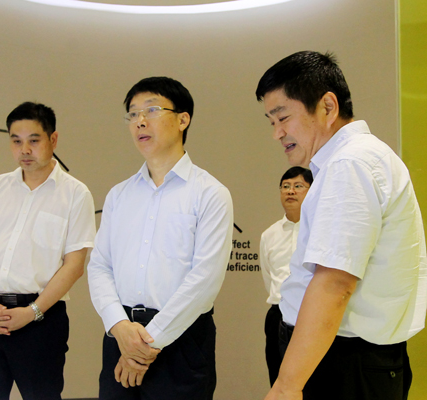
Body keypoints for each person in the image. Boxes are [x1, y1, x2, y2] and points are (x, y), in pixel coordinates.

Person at [255, 50, 427, 400]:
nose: (277, 133)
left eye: (283, 117)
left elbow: (335, 284)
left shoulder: (350, 163)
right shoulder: (355, 159)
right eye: (271, 122)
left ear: (328, 107)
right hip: (342, 356)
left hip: (344, 362)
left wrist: (287, 385)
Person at [88, 76, 234, 400]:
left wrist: (146, 345)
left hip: (181, 340)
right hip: (121, 335)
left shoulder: (210, 194)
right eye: (133, 113)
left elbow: (204, 281)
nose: (140, 121)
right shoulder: (119, 195)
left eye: (152, 110)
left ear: (183, 120)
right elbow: (99, 266)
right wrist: (119, 327)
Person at [0, 101, 96, 400]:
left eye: (34, 141)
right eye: (16, 141)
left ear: (53, 139)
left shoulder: (75, 194)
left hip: (40, 320)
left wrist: (32, 312)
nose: (24, 150)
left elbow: (74, 265)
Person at [259, 166, 313, 386]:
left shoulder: (320, 231)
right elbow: (268, 277)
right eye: (286, 186)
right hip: (278, 316)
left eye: (298, 186)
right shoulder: (269, 234)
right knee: (279, 380)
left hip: (312, 315)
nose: (291, 191)